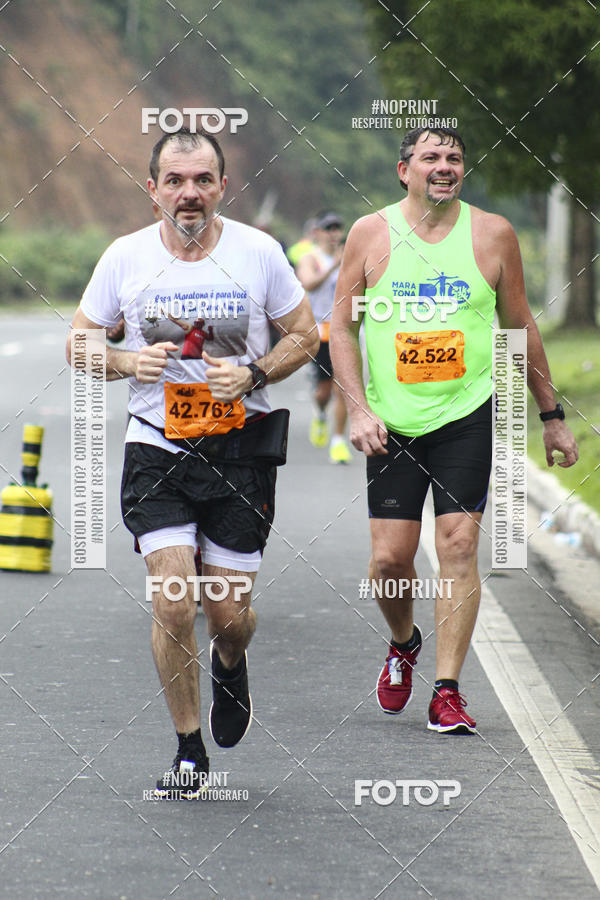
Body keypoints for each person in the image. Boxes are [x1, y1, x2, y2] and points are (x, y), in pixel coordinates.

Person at [66, 127, 318, 795]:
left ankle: (230, 662)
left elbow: (307, 334)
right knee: (175, 600)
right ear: (153, 192)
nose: (189, 193)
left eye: (202, 180)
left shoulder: (258, 253)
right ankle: (188, 745)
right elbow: (78, 345)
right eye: (175, 181)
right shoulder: (125, 258)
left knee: (228, 615)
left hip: (240, 452)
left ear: (221, 187)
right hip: (158, 447)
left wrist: (255, 373)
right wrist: (124, 361)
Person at [330, 127, 578, 734]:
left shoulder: (493, 234)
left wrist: (551, 417)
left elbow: (520, 327)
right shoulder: (371, 234)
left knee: (459, 548)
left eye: (455, 158)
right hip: (392, 423)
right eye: (431, 157)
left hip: (465, 415)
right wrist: (358, 409)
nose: (444, 167)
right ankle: (403, 641)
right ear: (404, 170)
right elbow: (339, 327)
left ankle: (448, 689)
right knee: (388, 561)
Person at [296, 212, 351, 463]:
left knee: (344, 388)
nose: (333, 232)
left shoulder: (349, 257)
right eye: (328, 227)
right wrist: (332, 266)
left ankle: (339, 442)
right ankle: (320, 413)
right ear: (317, 232)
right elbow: (307, 283)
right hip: (320, 332)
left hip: (345, 331)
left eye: (337, 227)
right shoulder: (311, 259)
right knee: (323, 391)